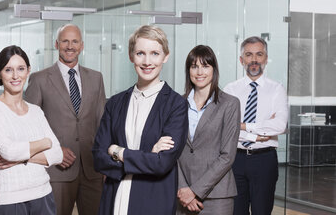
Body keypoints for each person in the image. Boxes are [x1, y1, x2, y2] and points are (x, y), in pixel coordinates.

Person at [92, 25, 188, 215]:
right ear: (131, 56)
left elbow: (162, 163)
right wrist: (147, 156)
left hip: (152, 201)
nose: (147, 61)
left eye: (154, 53)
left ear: (165, 56)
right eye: (140, 53)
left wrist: (117, 150)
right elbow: (98, 157)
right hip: (114, 198)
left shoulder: (176, 105)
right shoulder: (115, 103)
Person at [25, 24, 106, 215]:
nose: (70, 46)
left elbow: (102, 123)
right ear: (56, 44)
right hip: (57, 170)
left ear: (82, 45)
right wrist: (54, 150)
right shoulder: (40, 79)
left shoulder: (96, 78)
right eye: (65, 41)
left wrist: (106, 163)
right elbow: (28, 126)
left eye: (75, 41)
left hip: (92, 169)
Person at [0, 45, 63, 215]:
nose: (16, 76)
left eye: (20, 69)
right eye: (8, 70)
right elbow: (8, 151)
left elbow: (58, 154)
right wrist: (44, 142)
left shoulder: (36, 111)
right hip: (9, 198)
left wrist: (21, 159)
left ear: (28, 71)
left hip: (43, 194)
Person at [224, 36, 288, 215]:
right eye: (249, 55)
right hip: (235, 159)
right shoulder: (230, 90)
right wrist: (259, 131)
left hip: (264, 160)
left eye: (259, 54)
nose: (254, 60)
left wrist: (243, 126)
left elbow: (280, 125)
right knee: (236, 211)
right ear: (241, 60)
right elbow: (226, 128)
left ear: (266, 59)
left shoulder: (277, 89)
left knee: (262, 211)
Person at [176, 45, 240, 215]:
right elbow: (171, 150)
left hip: (217, 196)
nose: (199, 72)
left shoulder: (229, 104)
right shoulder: (177, 104)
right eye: (194, 66)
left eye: (205, 66)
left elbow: (227, 156)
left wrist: (195, 191)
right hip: (181, 195)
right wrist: (183, 188)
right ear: (188, 70)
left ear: (214, 70)